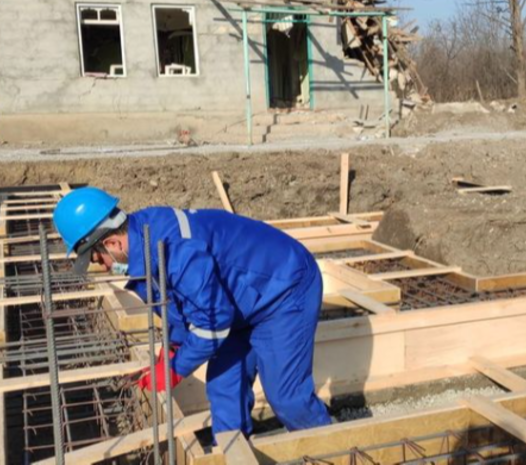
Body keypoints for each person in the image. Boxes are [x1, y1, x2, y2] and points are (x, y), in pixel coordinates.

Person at [53, 187, 332, 438]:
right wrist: (173, 348)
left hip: (283, 288)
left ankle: (332, 452)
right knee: (225, 390)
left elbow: (212, 323)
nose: (102, 266)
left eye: (97, 258)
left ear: (113, 243)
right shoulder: (146, 244)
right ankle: (231, 455)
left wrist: (174, 370)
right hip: (235, 301)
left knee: (286, 397)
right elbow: (180, 305)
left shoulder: (174, 250)